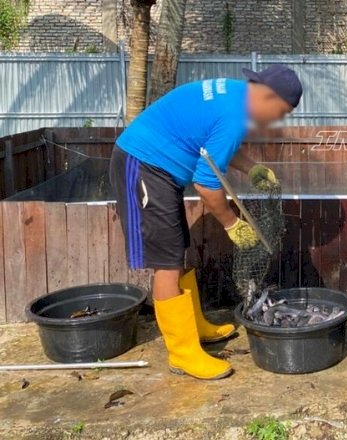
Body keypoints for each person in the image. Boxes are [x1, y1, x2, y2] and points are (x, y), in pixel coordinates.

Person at [109, 66, 302, 380]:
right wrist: (231, 224)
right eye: (280, 111)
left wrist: (251, 168)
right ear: (267, 95)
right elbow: (206, 184)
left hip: (160, 167)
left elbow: (212, 144)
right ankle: (183, 354)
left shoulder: (236, 96)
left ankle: (195, 326)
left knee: (176, 251)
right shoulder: (235, 115)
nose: (277, 120)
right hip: (142, 164)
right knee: (166, 262)